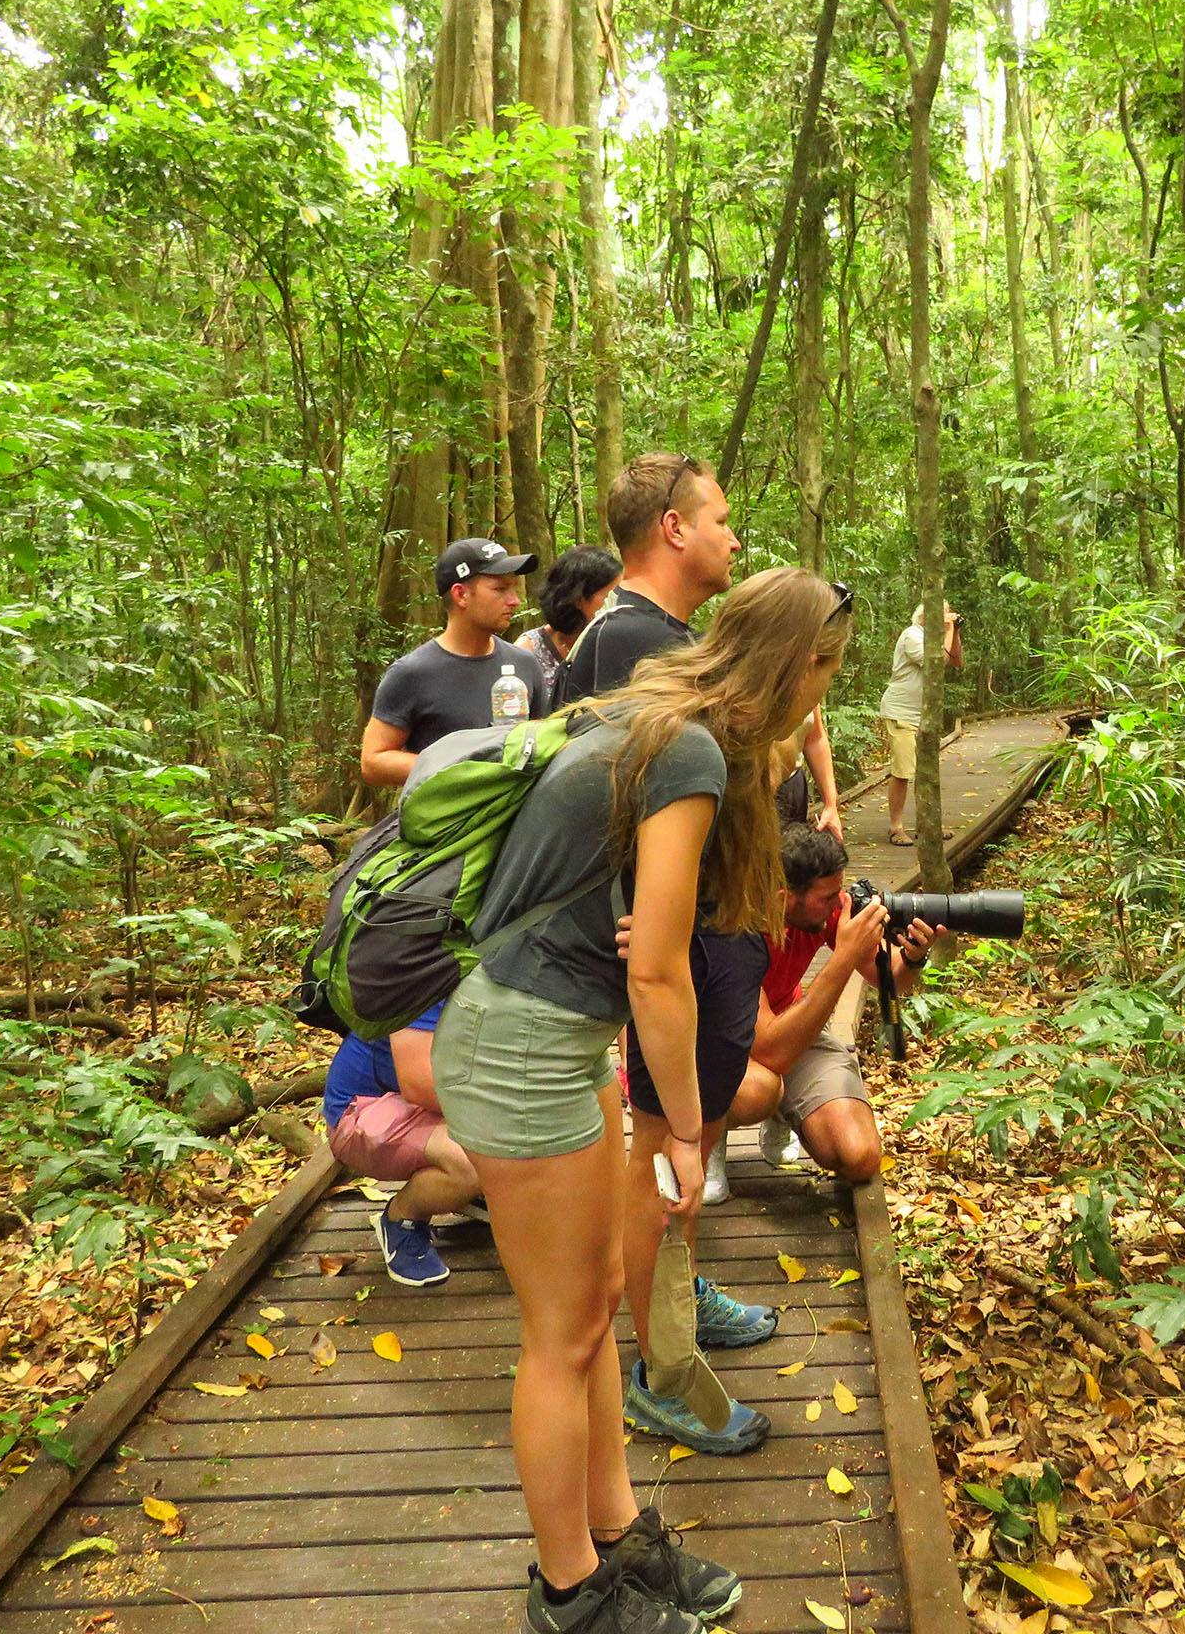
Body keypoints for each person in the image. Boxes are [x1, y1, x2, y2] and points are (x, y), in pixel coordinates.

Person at [426, 567, 852, 1634]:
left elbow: (638, 922)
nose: (825, 695)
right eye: (827, 670)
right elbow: (659, 973)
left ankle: (617, 1538)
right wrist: (689, 1132)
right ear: (795, 662)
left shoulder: (656, 714)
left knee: (597, 1316)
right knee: (563, 1335)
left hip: (551, 1038)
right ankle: (568, 1589)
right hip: (523, 1043)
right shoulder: (692, 747)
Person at [560, 453, 843, 839]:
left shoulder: (628, 627)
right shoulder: (642, 644)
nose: (735, 542)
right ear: (675, 528)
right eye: (722, 523)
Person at [735, 823, 936, 1183]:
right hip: (726, 1042)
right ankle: (711, 1140)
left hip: (791, 1027)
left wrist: (913, 957)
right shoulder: (741, 927)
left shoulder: (825, 909)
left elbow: (888, 977)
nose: (839, 903)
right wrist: (843, 958)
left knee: (858, 1156)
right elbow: (768, 1050)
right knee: (758, 1090)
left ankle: (785, 1111)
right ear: (783, 897)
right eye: (827, 897)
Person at [361, 537, 550, 787]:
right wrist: (458, 767)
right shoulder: (412, 673)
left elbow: (542, 742)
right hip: (447, 820)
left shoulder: (524, 664)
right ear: (460, 594)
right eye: (500, 589)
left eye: (514, 588)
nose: (514, 600)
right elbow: (373, 761)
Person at [321, 1007, 485, 1286]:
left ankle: (472, 1193)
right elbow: (420, 1085)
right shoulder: (427, 981)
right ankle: (402, 1218)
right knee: (478, 1159)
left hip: (421, 1101)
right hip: (362, 1111)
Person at [876, 602, 963, 845]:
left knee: (927, 771)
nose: (948, 615)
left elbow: (955, 660)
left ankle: (928, 824)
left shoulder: (935, 639)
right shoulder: (912, 635)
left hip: (924, 716)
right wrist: (947, 630)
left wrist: (954, 631)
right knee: (903, 771)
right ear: (927, 616)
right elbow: (936, 663)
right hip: (902, 712)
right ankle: (896, 827)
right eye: (943, 612)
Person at [517, 543, 622, 705]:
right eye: (609, 595)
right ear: (578, 598)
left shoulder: (612, 642)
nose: (616, 602)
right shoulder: (528, 652)